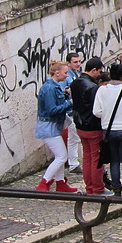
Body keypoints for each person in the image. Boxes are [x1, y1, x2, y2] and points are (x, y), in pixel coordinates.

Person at [93, 63, 122, 197]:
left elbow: (96, 111)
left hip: (109, 131)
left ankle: (116, 188)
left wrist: (107, 115)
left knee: (114, 161)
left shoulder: (102, 90)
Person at [70, 57, 113, 195]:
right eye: (99, 71)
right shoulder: (93, 88)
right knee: (96, 158)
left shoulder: (75, 83)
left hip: (79, 125)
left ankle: (89, 187)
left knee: (87, 157)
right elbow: (97, 109)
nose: (100, 74)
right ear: (93, 70)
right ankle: (97, 188)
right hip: (92, 126)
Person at [34, 61, 79, 192]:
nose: (66, 76)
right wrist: (69, 103)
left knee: (60, 155)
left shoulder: (54, 86)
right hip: (49, 126)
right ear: (57, 73)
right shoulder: (49, 88)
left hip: (53, 125)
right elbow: (52, 110)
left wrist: (65, 95)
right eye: (65, 73)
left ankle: (60, 183)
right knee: (62, 156)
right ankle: (44, 182)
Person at [62, 53, 83, 173]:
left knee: (73, 138)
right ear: (69, 63)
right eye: (75, 62)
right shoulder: (67, 77)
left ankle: (72, 163)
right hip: (70, 111)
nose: (78, 64)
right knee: (74, 138)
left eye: (79, 61)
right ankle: (73, 163)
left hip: (74, 110)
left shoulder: (76, 74)